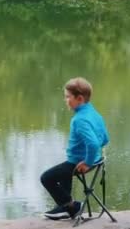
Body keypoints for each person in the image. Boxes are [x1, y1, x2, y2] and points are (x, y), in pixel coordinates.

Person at [40, 77, 109, 220]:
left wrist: (87, 162)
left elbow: (93, 144)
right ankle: (67, 209)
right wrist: (94, 157)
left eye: (68, 97)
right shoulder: (93, 113)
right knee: (64, 172)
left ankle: (71, 206)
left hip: (79, 163)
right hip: (96, 160)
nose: (66, 100)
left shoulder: (80, 120)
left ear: (79, 98)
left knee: (46, 178)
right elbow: (105, 139)